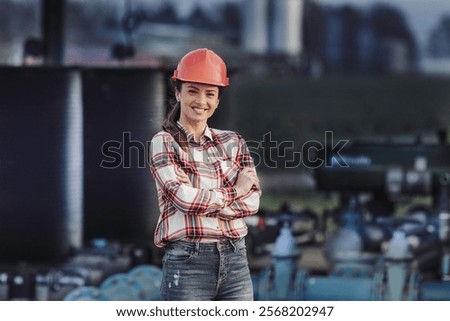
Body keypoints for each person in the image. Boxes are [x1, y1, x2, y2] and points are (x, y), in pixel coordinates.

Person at [149, 48, 261, 301]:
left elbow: (252, 201)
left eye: (210, 93)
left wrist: (205, 201)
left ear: (218, 100)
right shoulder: (165, 142)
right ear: (178, 92)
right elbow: (184, 200)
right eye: (192, 91)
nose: (201, 101)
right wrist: (235, 191)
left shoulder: (233, 141)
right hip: (188, 262)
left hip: (236, 259)